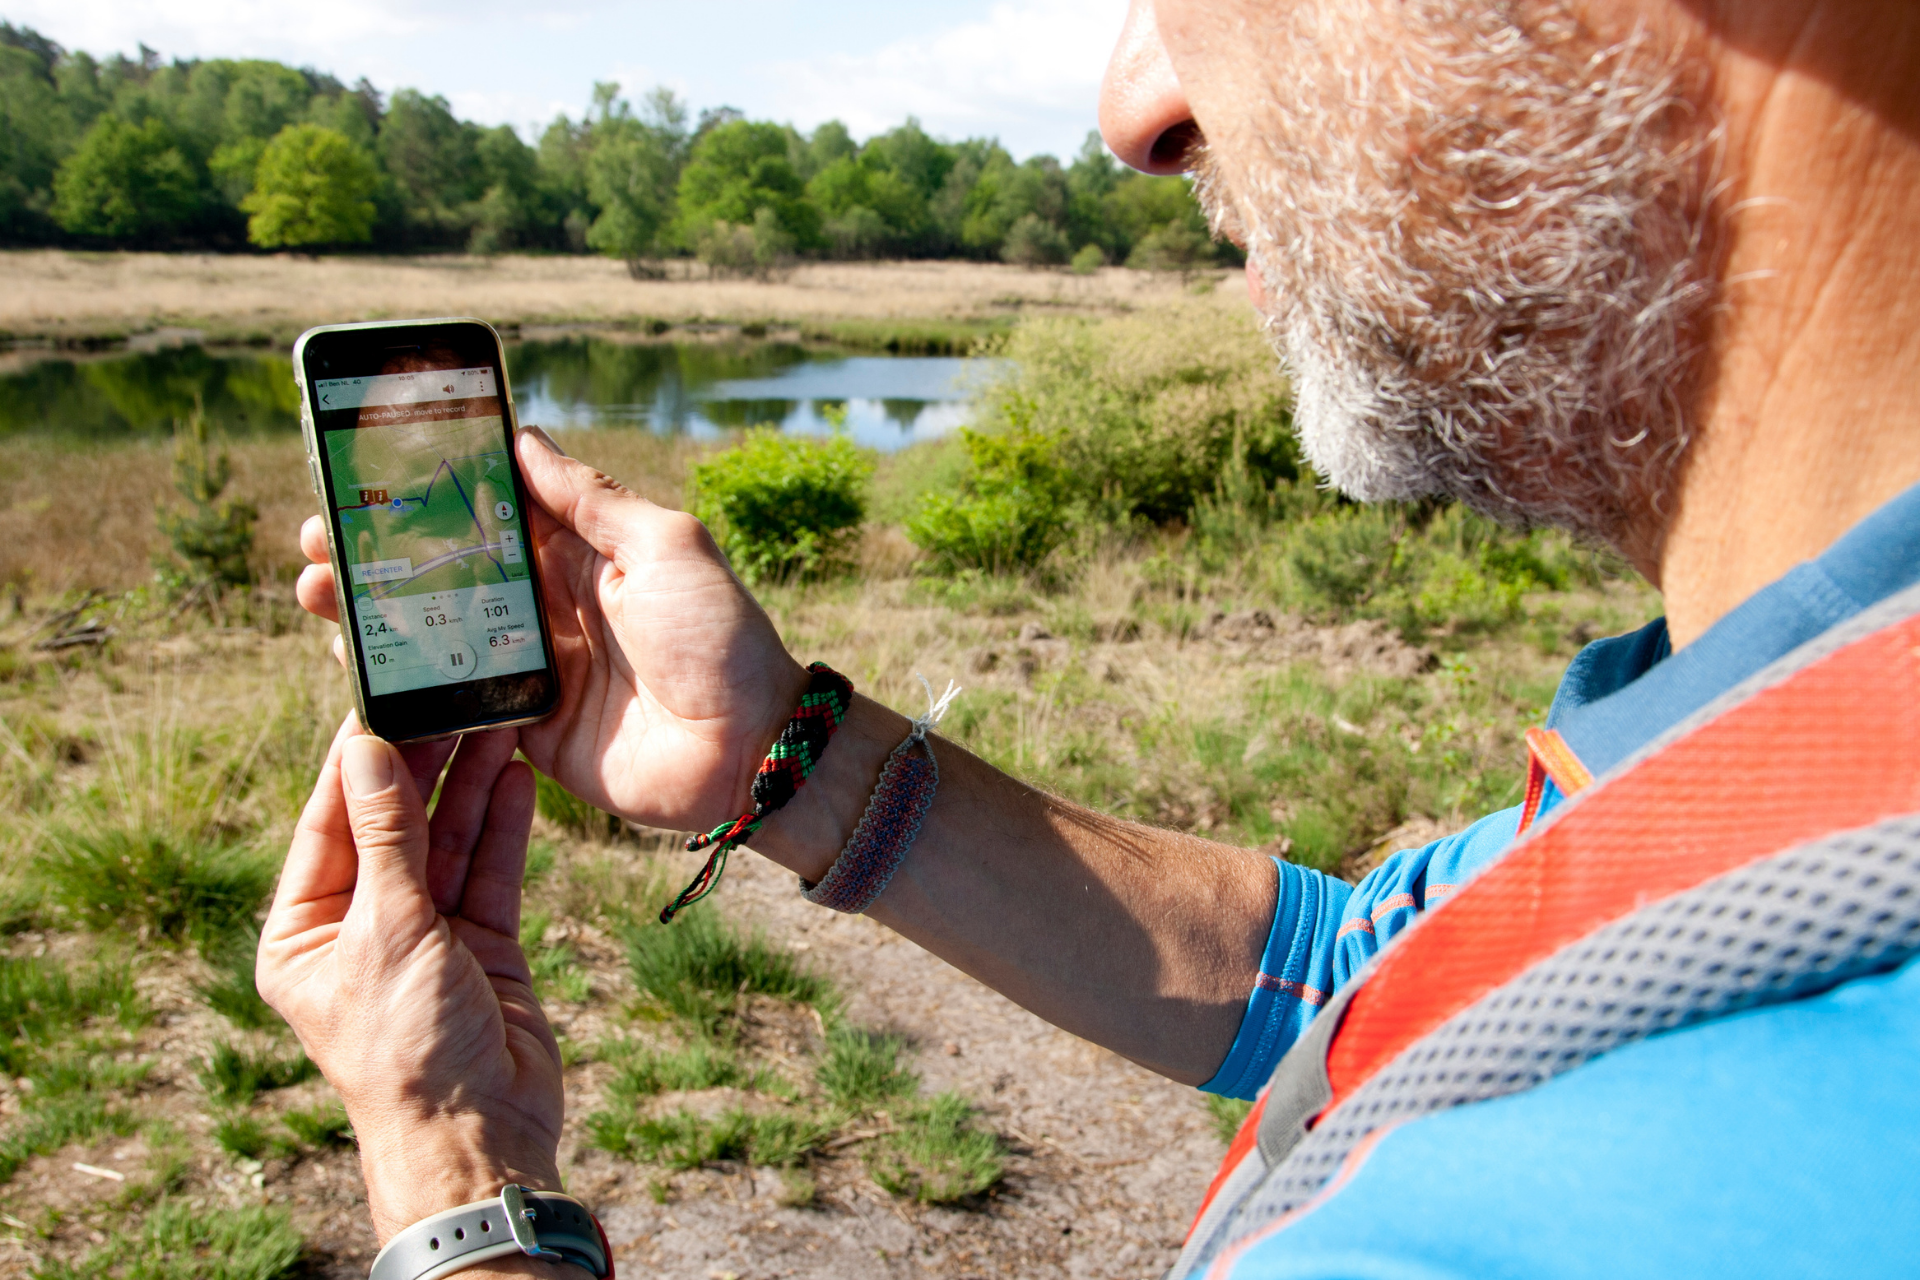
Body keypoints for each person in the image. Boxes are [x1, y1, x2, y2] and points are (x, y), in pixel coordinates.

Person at [259, 0, 1920, 1275]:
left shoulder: (1559, 1225)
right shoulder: (1802, 719)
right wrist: (780, 755)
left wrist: (452, 1167)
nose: (1139, 110)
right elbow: (1380, 973)